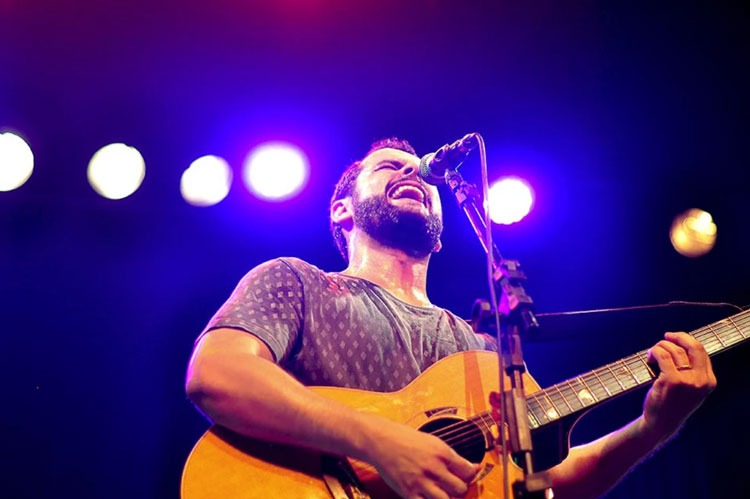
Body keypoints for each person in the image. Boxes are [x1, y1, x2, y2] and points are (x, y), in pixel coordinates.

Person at [186, 137, 716, 499]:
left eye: (418, 170)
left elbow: (551, 481)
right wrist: (377, 441)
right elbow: (217, 375)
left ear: (441, 229)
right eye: (388, 167)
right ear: (342, 210)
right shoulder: (297, 281)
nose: (411, 171)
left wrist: (654, 426)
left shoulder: (482, 350)